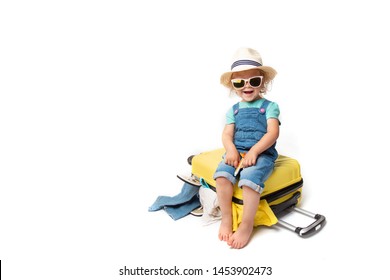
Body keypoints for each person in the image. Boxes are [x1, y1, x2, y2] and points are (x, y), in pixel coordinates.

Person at [213, 47, 280, 249]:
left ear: (263, 82)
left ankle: (246, 225)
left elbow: (272, 133)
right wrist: (231, 150)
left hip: (261, 153)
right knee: (222, 176)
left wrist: (255, 151)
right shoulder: (233, 110)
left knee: (249, 179)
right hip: (237, 150)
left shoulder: (269, 106)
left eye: (254, 81)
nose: (247, 86)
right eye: (240, 82)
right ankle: (226, 219)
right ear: (234, 86)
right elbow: (226, 134)